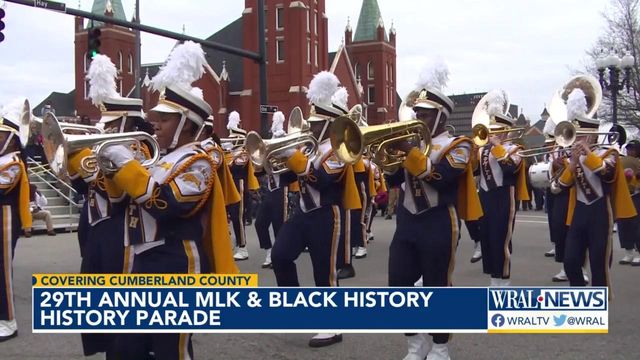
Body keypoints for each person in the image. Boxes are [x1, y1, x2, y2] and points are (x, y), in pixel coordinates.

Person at [100, 41, 237, 360]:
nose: (155, 125)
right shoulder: (159, 159)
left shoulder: (198, 161)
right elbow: (121, 202)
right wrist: (110, 168)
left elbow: (166, 205)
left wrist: (127, 166)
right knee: (126, 349)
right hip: (142, 259)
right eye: (156, 118)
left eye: (164, 119)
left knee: (170, 351)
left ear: (187, 123)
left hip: (177, 261)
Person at [387, 66, 482, 360]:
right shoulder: (412, 144)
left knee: (437, 285)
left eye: (425, 114)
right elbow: (392, 181)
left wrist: (409, 152)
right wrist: (387, 156)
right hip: (407, 221)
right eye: (417, 112)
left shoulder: (459, 145)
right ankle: (416, 345)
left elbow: (441, 177)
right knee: (397, 285)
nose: (418, 118)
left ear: (441, 116)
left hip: (439, 221)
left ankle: (440, 346)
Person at [271, 71, 361, 348]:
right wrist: (275, 159)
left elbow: (324, 179)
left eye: (314, 122)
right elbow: (287, 178)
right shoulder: (307, 149)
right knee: (280, 256)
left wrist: (296, 159)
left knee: (325, 272)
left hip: (326, 214)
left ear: (327, 124)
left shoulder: (339, 150)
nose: (309, 126)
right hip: (303, 214)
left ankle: (332, 326)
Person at [557, 88, 636, 292]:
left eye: (580, 135)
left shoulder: (608, 153)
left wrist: (586, 154)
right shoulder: (574, 158)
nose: (576, 139)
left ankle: (599, 309)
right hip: (579, 213)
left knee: (599, 266)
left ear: (591, 134)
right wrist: (573, 163)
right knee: (571, 261)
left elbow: (607, 173)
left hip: (600, 213)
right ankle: (579, 299)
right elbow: (560, 186)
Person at [475, 90, 529, 287]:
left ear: (506, 131)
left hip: (504, 197)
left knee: (501, 239)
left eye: (497, 130)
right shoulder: (482, 149)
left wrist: (497, 147)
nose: (493, 133)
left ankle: (504, 280)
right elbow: (474, 171)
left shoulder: (515, 149)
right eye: (492, 129)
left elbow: (510, 168)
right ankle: (493, 278)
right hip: (485, 197)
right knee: (487, 238)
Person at [0, 105, 32, 342]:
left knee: (3, 271)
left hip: (6, 219)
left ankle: (8, 321)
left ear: (11, 140)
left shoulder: (13, 162)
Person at [253, 111, 297, 268]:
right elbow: (260, 172)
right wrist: (260, 163)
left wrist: (285, 158)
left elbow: (294, 175)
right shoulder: (270, 156)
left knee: (280, 225)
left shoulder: (287, 152)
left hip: (282, 191)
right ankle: (269, 251)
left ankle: (280, 254)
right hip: (270, 192)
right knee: (260, 223)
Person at [224, 111, 259, 261]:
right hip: (230, 188)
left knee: (238, 218)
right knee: (227, 217)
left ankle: (243, 247)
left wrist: (226, 158)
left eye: (233, 139)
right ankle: (229, 244)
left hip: (240, 189)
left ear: (239, 139)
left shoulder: (243, 153)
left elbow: (236, 167)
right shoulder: (230, 153)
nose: (230, 142)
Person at [615, 139, 640, 265]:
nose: (630, 151)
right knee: (623, 223)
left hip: (636, 195)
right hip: (623, 195)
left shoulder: (637, 162)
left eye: (633, 149)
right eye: (629, 148)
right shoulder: (621, 160)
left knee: (636, 225)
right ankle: (628, 252)